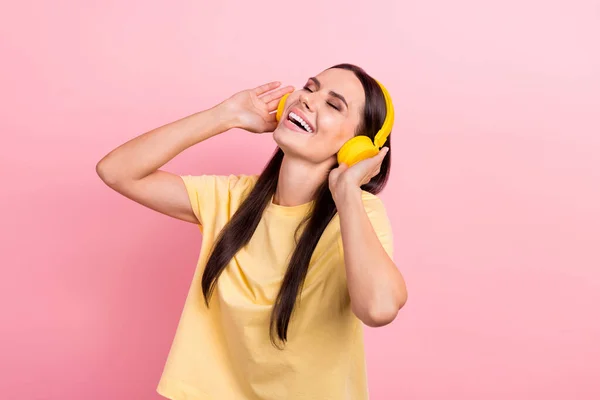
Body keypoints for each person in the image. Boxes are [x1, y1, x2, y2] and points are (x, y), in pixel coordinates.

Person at [96, 63, 408, 400]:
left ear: (357, 146)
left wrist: (347, 190)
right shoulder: (231, 199)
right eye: (309, 87)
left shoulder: (358, 215)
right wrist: (225, 116)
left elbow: (378, 308)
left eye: (333, 105)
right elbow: (116, 171)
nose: (306, 100)